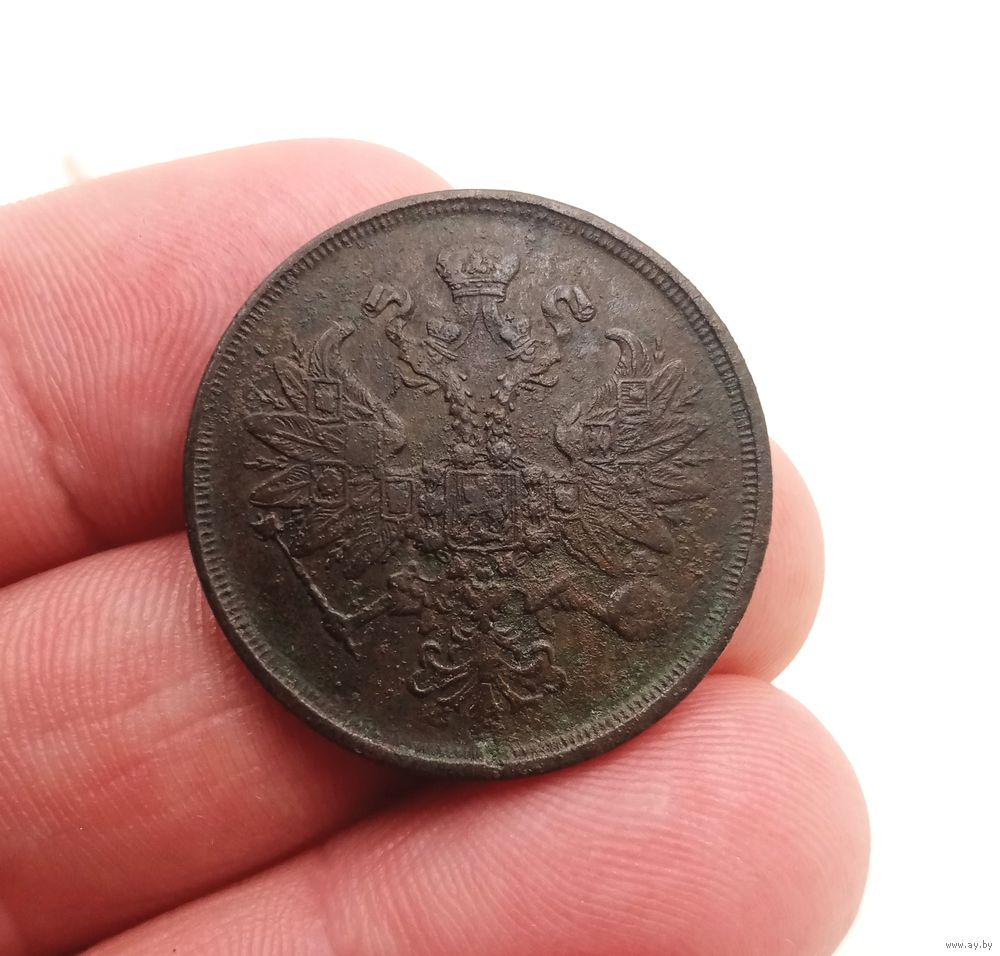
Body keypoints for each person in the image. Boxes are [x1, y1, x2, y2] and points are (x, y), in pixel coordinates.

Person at [0, 140, 869, 955]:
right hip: (452, 622)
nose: (481, 340)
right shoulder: (458, 422)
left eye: (490, 330)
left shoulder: (486, 422)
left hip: (496, 624)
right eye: (469, 328)